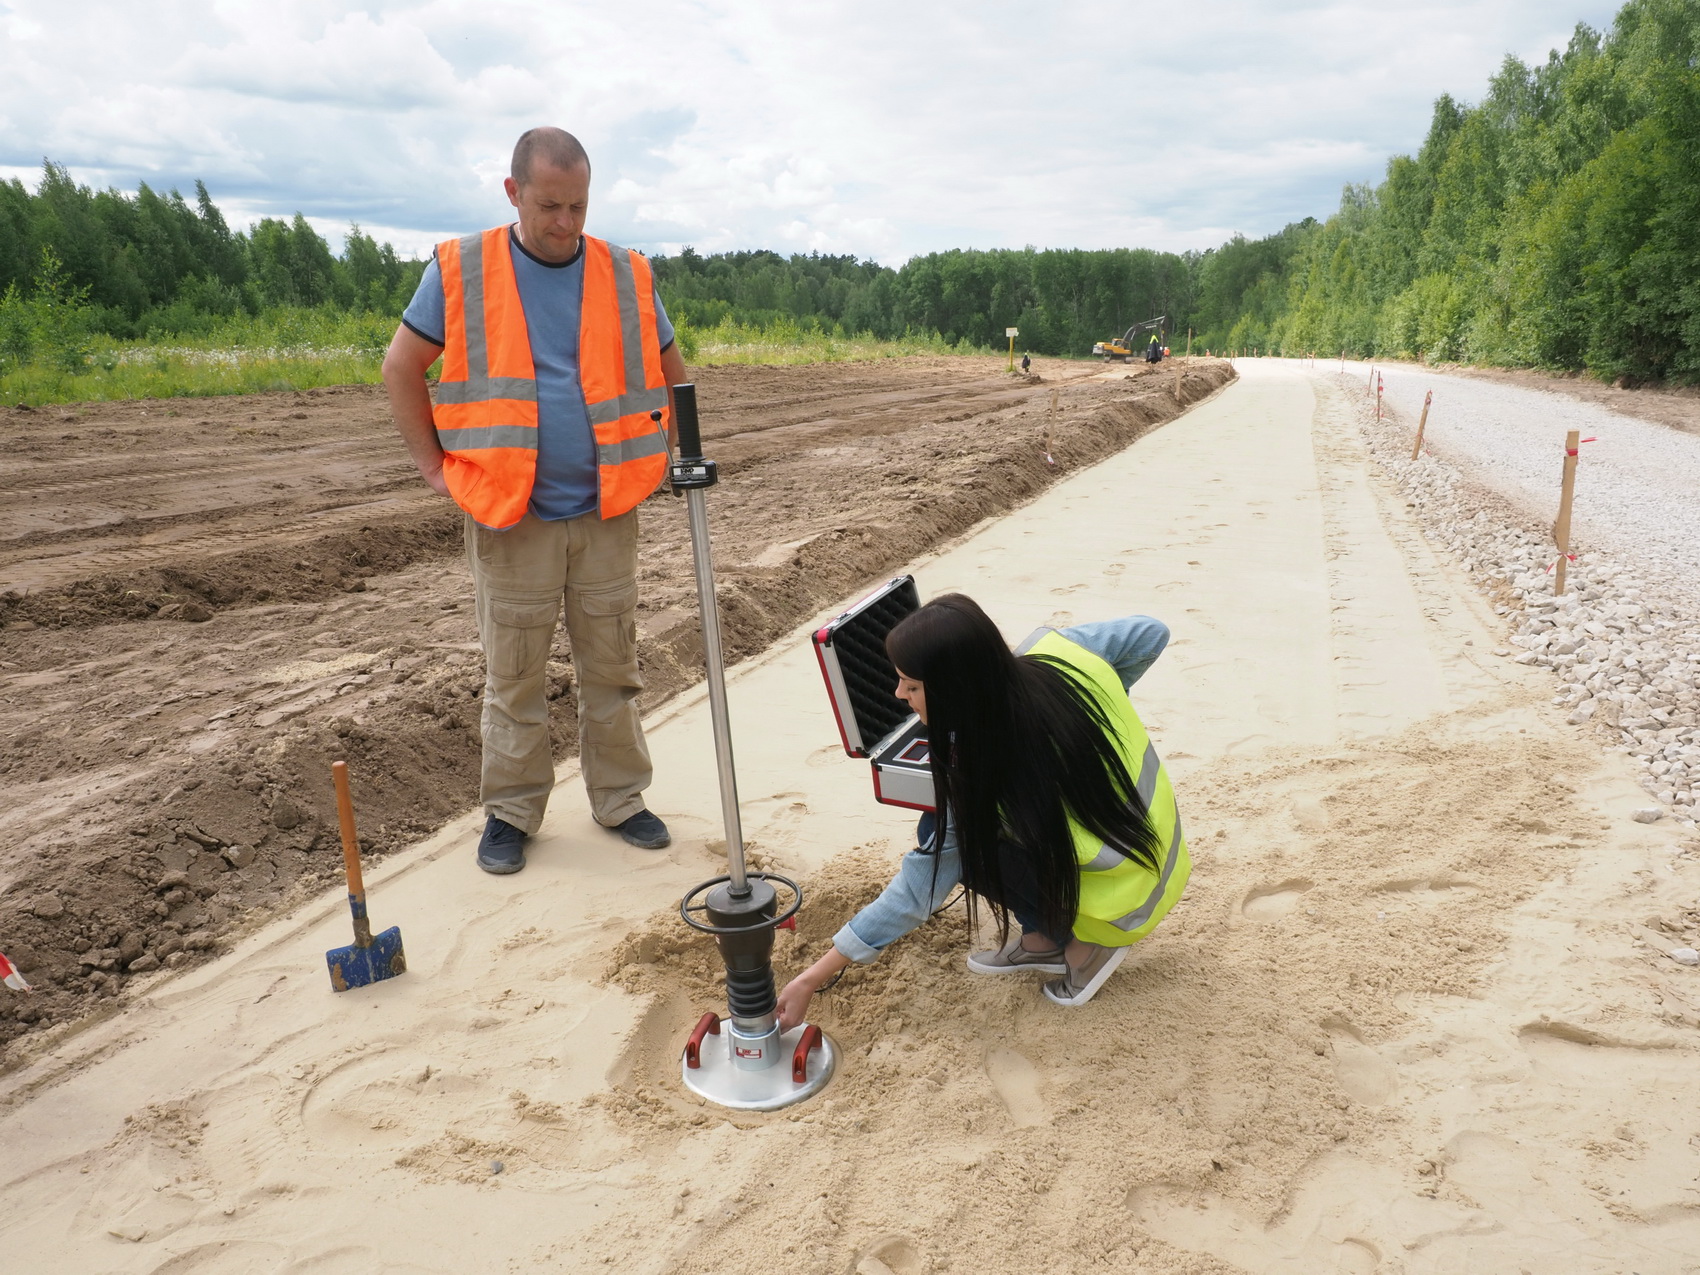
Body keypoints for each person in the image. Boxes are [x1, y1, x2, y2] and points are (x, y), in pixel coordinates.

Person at [382, 126, 687, 875]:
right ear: (513, 192)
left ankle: (620, 798)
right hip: (510, 515)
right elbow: (401, 365)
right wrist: (432, 466)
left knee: (612, 667)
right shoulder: (461, 269)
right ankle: (512, 812)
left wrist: (657, 456)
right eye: (550, 205)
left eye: (579, 205)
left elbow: (673, 371)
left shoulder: (625, 272)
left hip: (606, 511)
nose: (566, 223)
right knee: (513, 673)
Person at [777, 595, 1189, 1022]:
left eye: (912, 686)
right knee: (943, 825)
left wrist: (810, 978)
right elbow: (1150, 633)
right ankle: (1045, 938)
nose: (898, 694)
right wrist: (1094, 715)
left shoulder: (986, 764)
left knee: (942, 839)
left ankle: (1089, 949)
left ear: (956, 688)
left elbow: (920, 889)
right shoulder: (1059, 653)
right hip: (1161, 850)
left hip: (1126, 902)